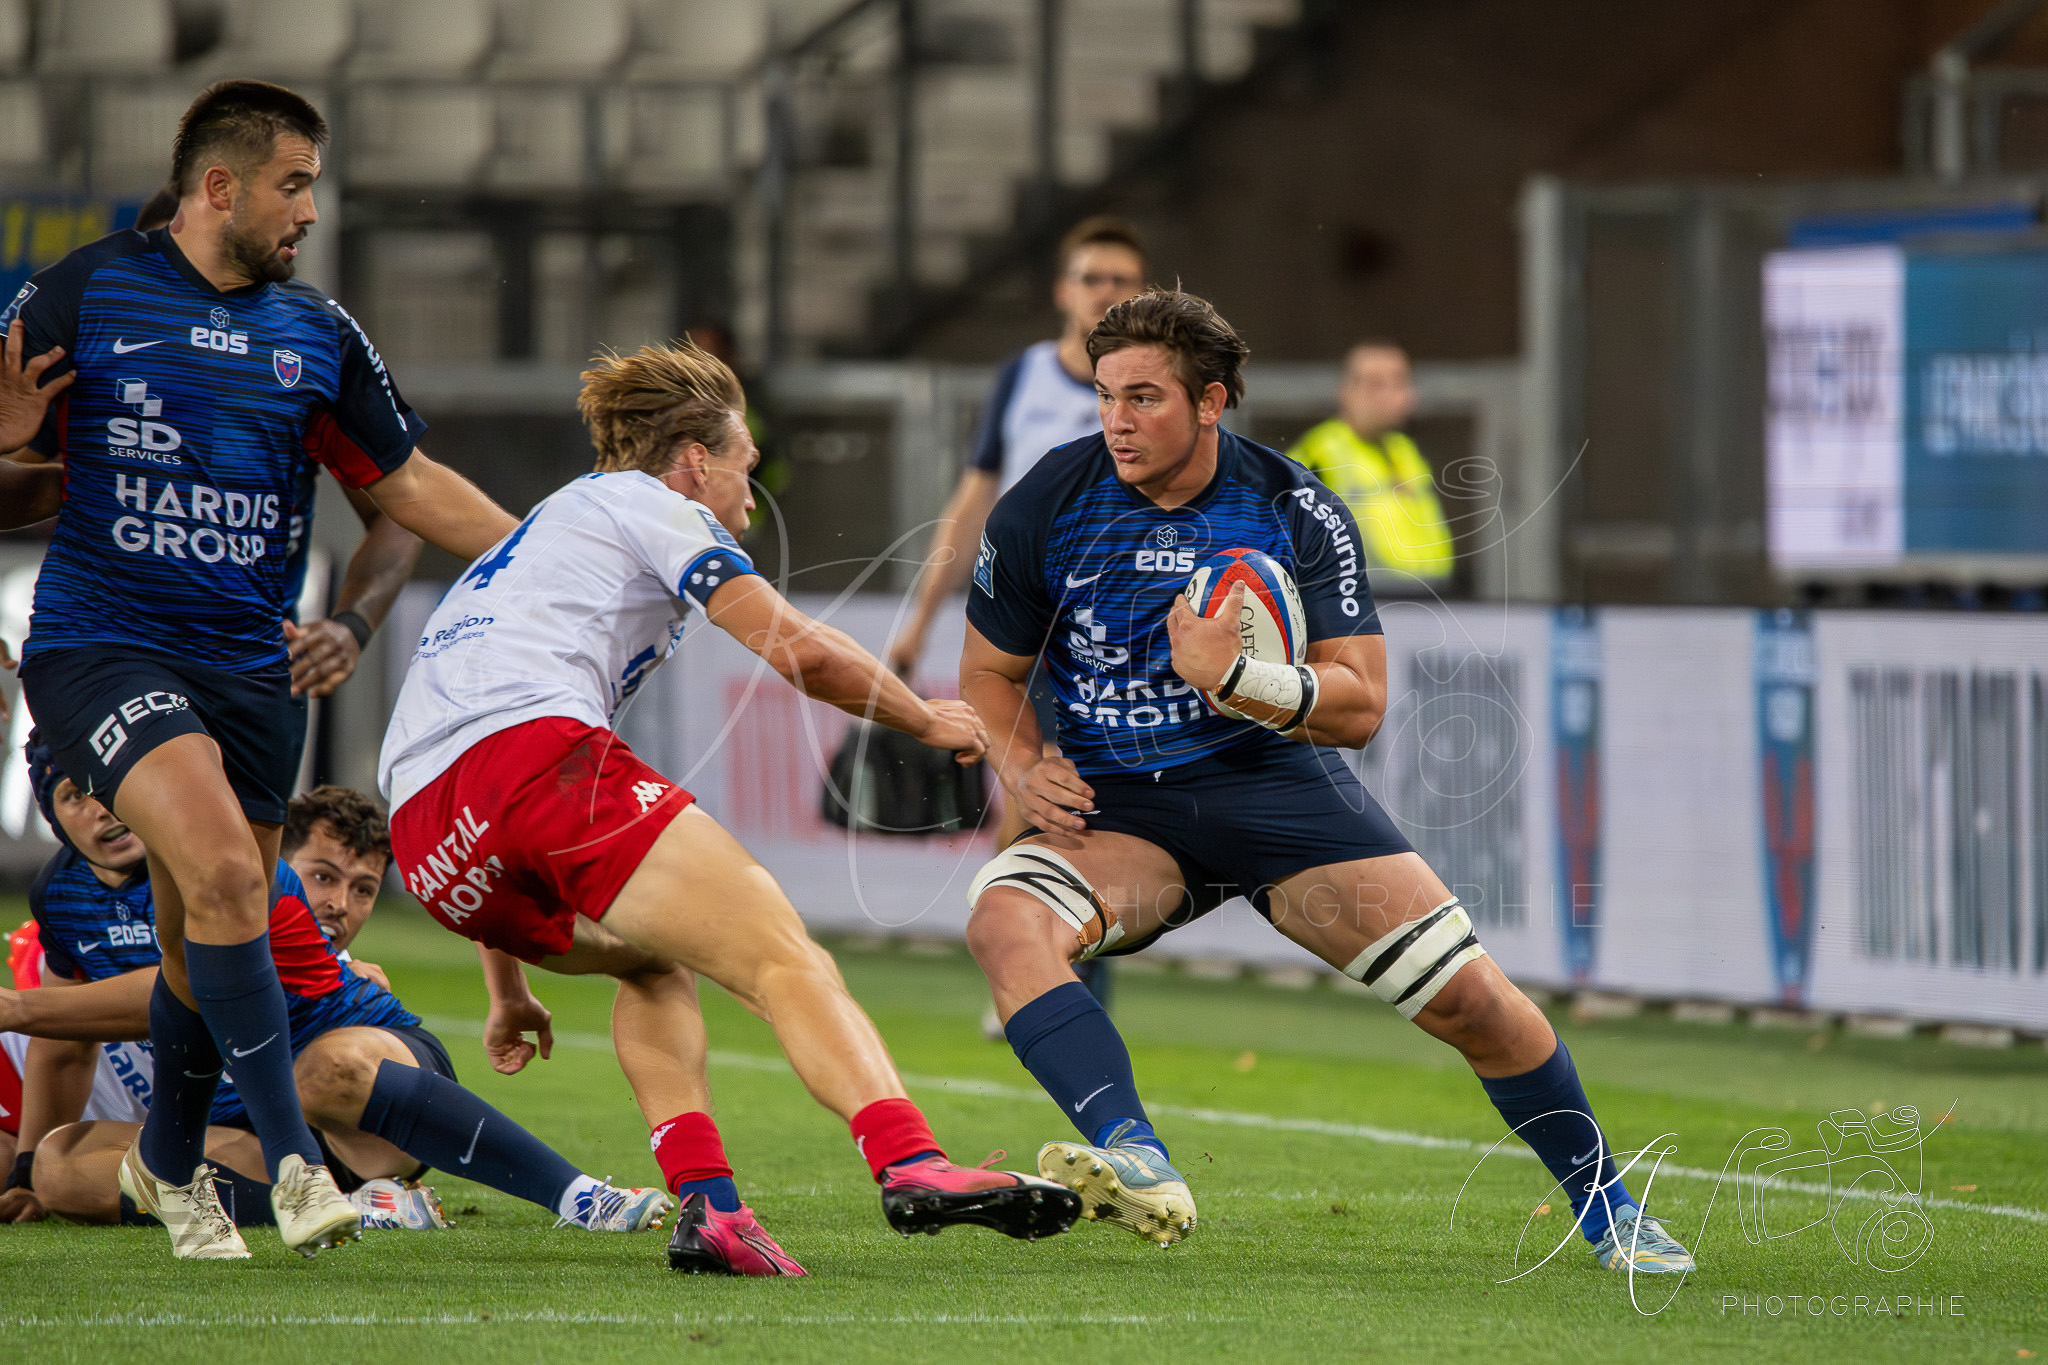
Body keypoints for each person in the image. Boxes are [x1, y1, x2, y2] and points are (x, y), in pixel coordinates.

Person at [955, 290, 1695, 1272]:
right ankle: (1135, 1154)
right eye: (1104, 397)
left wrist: (1234, 679)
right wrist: (1023, 761)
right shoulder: (1048, 497)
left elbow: (1359, 705)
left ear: (1211, 400)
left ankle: (1606, 1205)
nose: (1117, 422)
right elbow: (985, 676)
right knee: (1002, 919)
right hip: (1120, 809)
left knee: (1472, 1003)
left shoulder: (1293, 504)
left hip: (1270, 791)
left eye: (1144, 398)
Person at [378, 339, 1082, 1278]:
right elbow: (801, 652)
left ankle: (710, 1208)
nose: (752, 497)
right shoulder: (651, 503)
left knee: (657, 964)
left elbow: (466, 766)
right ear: (693, 461)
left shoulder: (536, 538)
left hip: (431, 847)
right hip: (532, 767)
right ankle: (910, 1158)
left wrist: (507, 994)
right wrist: (927, 715)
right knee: (784, 957)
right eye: (746, 468)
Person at [0, 79, 521, 1260]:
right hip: (104, 647)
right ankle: (294, 1167)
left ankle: (176, 1169)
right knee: (239, 879)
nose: (310, 214)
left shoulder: (318, 336)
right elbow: (11, 478)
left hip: (247, 670)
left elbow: (410, 493)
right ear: (218, 187)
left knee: (198, 936)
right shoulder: (85, 291)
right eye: (293, 186)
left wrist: (563, 553)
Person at [0, 762, 669, 1246]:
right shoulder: (58, 894)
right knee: (69, 1166)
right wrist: (29, 1168)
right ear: (50, 810)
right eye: (73, 796)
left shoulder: (221, 864)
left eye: (109, 790)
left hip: (370, 1083)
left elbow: (186, 987)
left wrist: (19, 1008)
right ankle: (360, 1208)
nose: (102, 810)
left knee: (321, 1073)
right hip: (252, 1127)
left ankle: (579, 1194)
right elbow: (68, 1044)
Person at [1287, 341, 1454, 588]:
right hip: (1360, 602)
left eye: (1400, 382)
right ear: (1346, 391)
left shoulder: (1405, 451)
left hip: (1432, 596)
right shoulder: (1320, 453)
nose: (1391, 394)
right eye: (1376, 384)